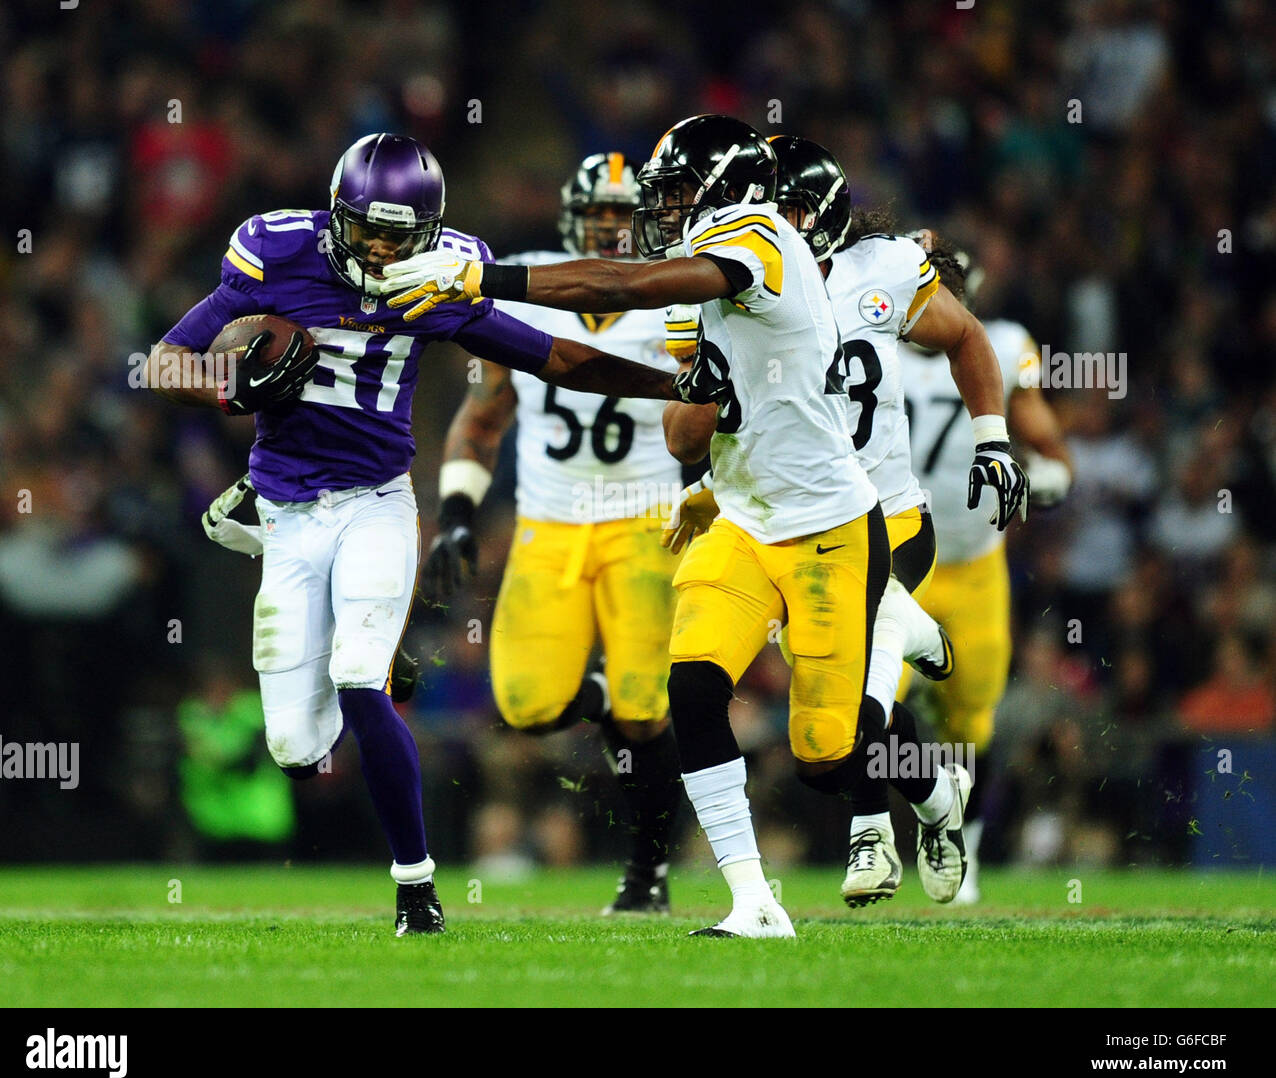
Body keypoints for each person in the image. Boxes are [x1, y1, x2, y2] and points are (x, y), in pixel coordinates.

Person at [385, 115, 1029, 937]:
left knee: (828, 758)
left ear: (726, 187)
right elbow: (676, 428)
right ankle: (753, 904)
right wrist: (705, 397)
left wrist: (489, 277)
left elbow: (618, 289)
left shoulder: (759, 237)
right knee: (691, 688)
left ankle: (931, 779)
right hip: (743, 518)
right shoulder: (708, 274)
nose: (664, 211)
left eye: (678, 193)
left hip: (834, 522)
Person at [144, 132, 689, 936]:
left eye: (398, 236)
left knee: (363, 678)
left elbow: (559, 359)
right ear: (337, 215)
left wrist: (673, 381)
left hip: (377, 501)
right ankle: (335, 607)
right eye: (365, 229)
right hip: (291, 513)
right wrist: (229, 391)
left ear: (429, 235)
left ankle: (416, 888)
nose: (378, 248)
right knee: (296, 749)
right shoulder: (276, 253)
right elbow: (163, 362)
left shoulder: (439, 282)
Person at [425, 152, 685, 913]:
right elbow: (483, 417)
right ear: (573, 218)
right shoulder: (530, 284)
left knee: (648, 712)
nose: (609, 228)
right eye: (596, 215)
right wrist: (458, 516)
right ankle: (602, 694)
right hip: (549, 522)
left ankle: (647, 876)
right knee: (526, 705)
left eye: (620, 215)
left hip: (647, 522)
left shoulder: (676, 293)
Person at [896, 243, 1072, 901]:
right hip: (892, 565)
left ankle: (960, 846)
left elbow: (1048, 445)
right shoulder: (864, 344)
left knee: (970, 720)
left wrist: (1051, 476)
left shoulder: (997, 344)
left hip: (972, 566)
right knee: (876, 703)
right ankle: (909, 816)